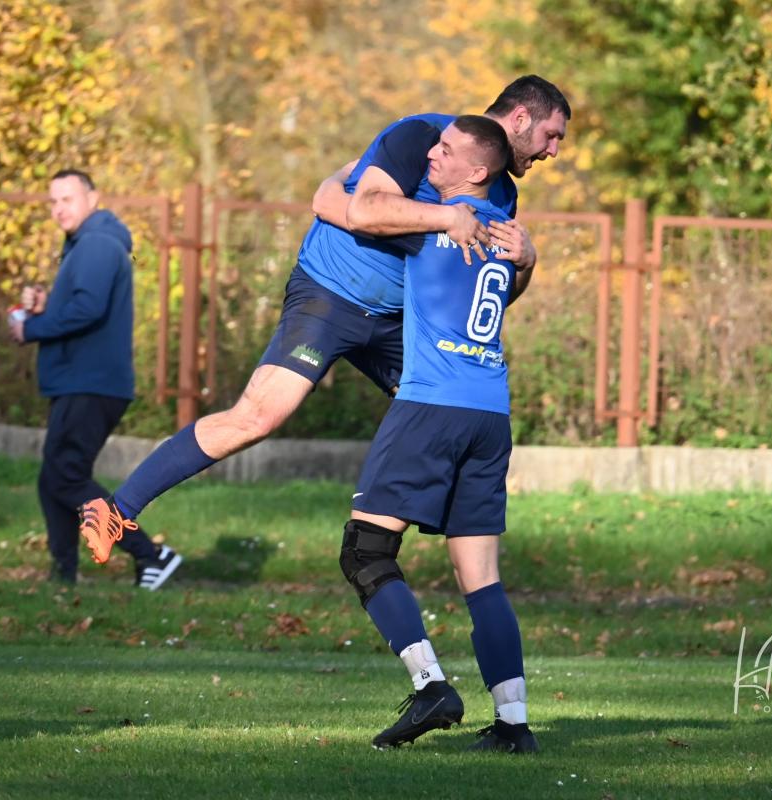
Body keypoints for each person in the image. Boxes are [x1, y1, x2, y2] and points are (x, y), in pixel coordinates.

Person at [79, 76, 570, 564]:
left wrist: (526, 263)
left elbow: (486, 295)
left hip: (400, 320)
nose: (552, 151)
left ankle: (466, 576)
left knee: (453, 410)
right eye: (551, 135)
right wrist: (440, 217)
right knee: (259, 416)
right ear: (520, 118)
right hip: (330, 296)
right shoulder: (426, 137)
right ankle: (117, 509)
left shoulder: (501, 195)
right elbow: (365, 209)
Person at [337, 116, 535, 753]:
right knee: (482, 579)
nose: (431, 154)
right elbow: (509, 280)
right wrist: (531, 258)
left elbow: (356, 212)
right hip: (490, 414)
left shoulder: (434, 221)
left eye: (446, 150)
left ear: (477, 171)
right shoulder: (506, 234)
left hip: (431, 406)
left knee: (366, 552)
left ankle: (431, 686)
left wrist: (334, 185)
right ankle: (513, 725)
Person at [9, 169, 180, 589]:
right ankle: (63, 573)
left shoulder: (97, 244)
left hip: (89, 382)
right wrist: (47, 306)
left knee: (64, 476)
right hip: (82, 381)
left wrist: (32, 328)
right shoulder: (86, 245)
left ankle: (151, 554)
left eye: (67, 199)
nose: (58, 209)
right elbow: (82, 304)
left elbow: (88, 309)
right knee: (56, 479)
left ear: (92, 198)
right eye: (53, 201)